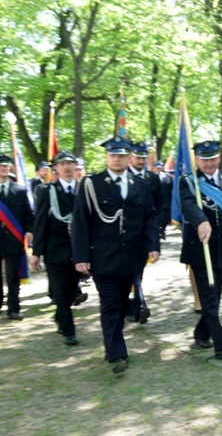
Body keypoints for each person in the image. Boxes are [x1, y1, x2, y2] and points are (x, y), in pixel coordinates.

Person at [71, 136, 160, 374]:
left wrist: (153, 244)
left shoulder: (139, 184)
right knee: (110, 303)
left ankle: (113, 345)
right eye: (113, 155)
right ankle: (117, 353)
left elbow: (150, 216)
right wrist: (80, 257)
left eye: (121, 155)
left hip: (132, 257)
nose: (117, 159)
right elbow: (80, 222)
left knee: (121, 303)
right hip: (102, 257)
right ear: (107, 157)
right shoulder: (92, 183)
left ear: (129, 156)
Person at [179, 140, 222, 359]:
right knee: (209, 297)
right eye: (204, 159)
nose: (209, 163)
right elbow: (187, 205)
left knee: (216, 295)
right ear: (197, 159)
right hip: (200, 248)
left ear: (219, 158)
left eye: (212, 158)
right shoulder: (188, 182)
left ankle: (200, 332)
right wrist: (201, 221)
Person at [30, 151, 81, 344]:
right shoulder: (47, 190)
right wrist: (36, 253)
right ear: (56, 168)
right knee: (60, 290)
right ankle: (69, 331)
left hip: (77, 250)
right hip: (55, 250)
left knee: (70, 290)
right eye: (62, 164)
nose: (67, 167)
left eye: (70, 163)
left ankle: (60, 316)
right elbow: (40, 223)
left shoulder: (83, 189)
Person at [126, 141, 163, 324]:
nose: (141, 160)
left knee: (137, 271)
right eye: (137, 156)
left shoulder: (152, 178)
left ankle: (134, 306)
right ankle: (138, 305)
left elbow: (159, 205)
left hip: (145, 234)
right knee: (130, 272)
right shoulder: (122, 176)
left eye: (143, 157)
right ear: (130, 157)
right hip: (125, 235)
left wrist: (157, 230)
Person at [0, 152, 34, 320]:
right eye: (1, 166)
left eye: (5, 166)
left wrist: (29, 231)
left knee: (13, 276)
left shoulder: (20, 191)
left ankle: (14, 308)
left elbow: (29, 215)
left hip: (14, 240)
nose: (3, 169)